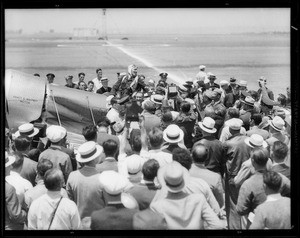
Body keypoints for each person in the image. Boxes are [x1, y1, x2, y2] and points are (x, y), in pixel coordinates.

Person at [150, 161, 223, 229]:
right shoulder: (198, 200)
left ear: (164, 181)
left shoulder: (157, 206)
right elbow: (218, 225)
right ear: (183, 180)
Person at [236, 148, 290, 229]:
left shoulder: (248, 183)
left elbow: (240, 210)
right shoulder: (279, 177)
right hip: (279, 218)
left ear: (253, 161)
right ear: (267, 160)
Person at [66, 141, 105, 219]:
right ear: (95, 159)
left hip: (77, 220)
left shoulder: (72, 176)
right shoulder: (102, 179)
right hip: (96, 222)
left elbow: (69, 201)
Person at [189, 143, 224, 208]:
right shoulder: (215, 177)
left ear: (192, 156)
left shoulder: (184, 172)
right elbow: (220, 203)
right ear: (207, 158)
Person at [5, 152, 27, 230]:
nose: (11, 167)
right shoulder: (8, 188)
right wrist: (25, 212)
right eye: (8, 165)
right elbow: (16, 216)